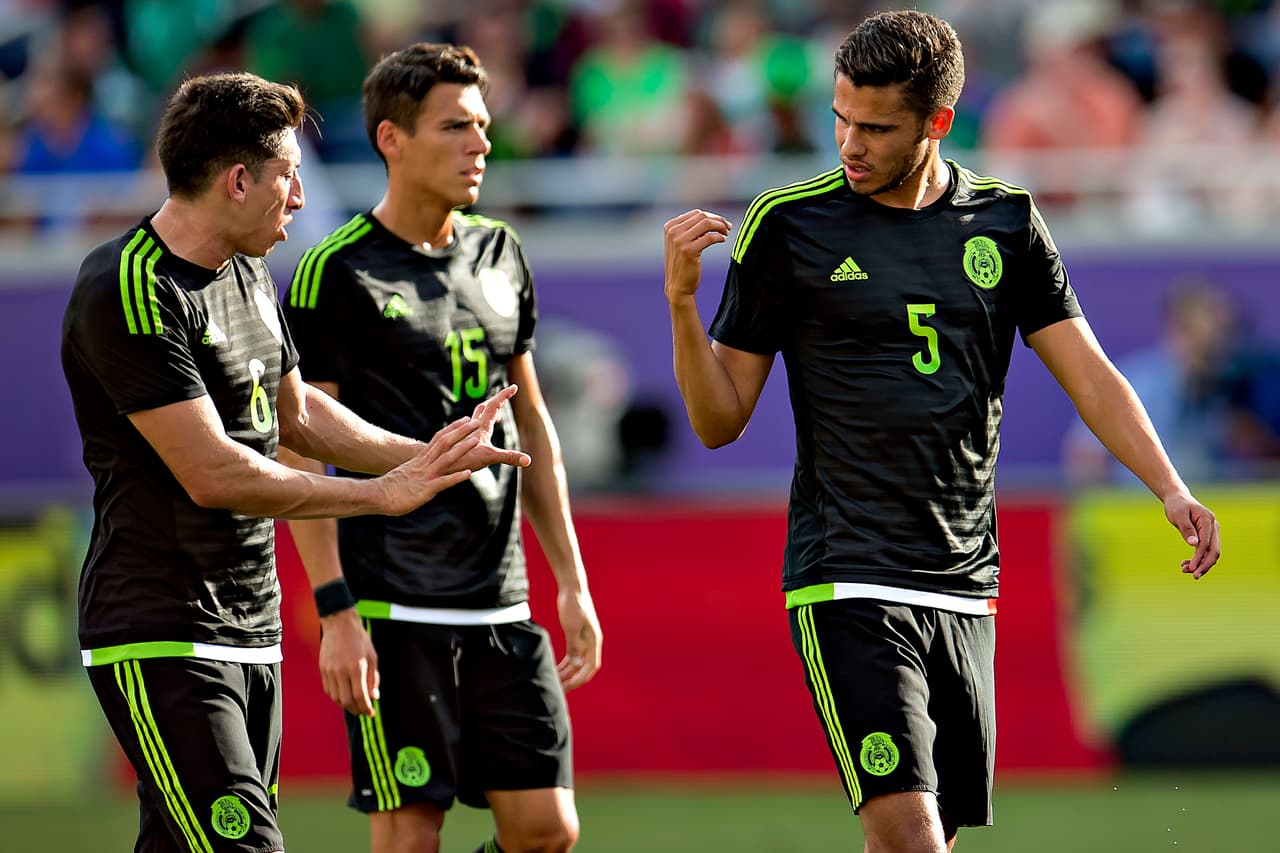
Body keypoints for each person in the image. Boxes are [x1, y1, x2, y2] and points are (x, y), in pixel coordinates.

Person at [662, 10, 1220, 853]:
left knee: (926, 839)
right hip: (846, 573)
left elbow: (1092, 376)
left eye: (876, 128)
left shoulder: (1007, 222)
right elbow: (717, 422)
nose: (850, 144)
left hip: (964, 578)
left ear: (938, 122)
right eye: (842, 119)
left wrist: (1170, 488)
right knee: (912, 837)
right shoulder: (788, 225)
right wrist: (680, 304)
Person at [60, 71, 530, 853]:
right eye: (289, 176)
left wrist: (428, 454)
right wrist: (380, 495)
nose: (302, 198)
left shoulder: (247, 269)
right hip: (164, 631)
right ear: (238, 181)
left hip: (253, 625)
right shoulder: (129, 288)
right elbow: (214, 473)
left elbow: (299, 414)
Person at [280, 43, 601, 853]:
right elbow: (303, 447)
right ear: (391, 139)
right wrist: (335, 609)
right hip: (395, 605)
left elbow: (533, 425)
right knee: (410, 836)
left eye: (483, 125)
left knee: (547, 830)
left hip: (502, 597)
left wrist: (570, 580)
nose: (480, 143)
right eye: (456, 126)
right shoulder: (335, 271)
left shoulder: (502, 252)